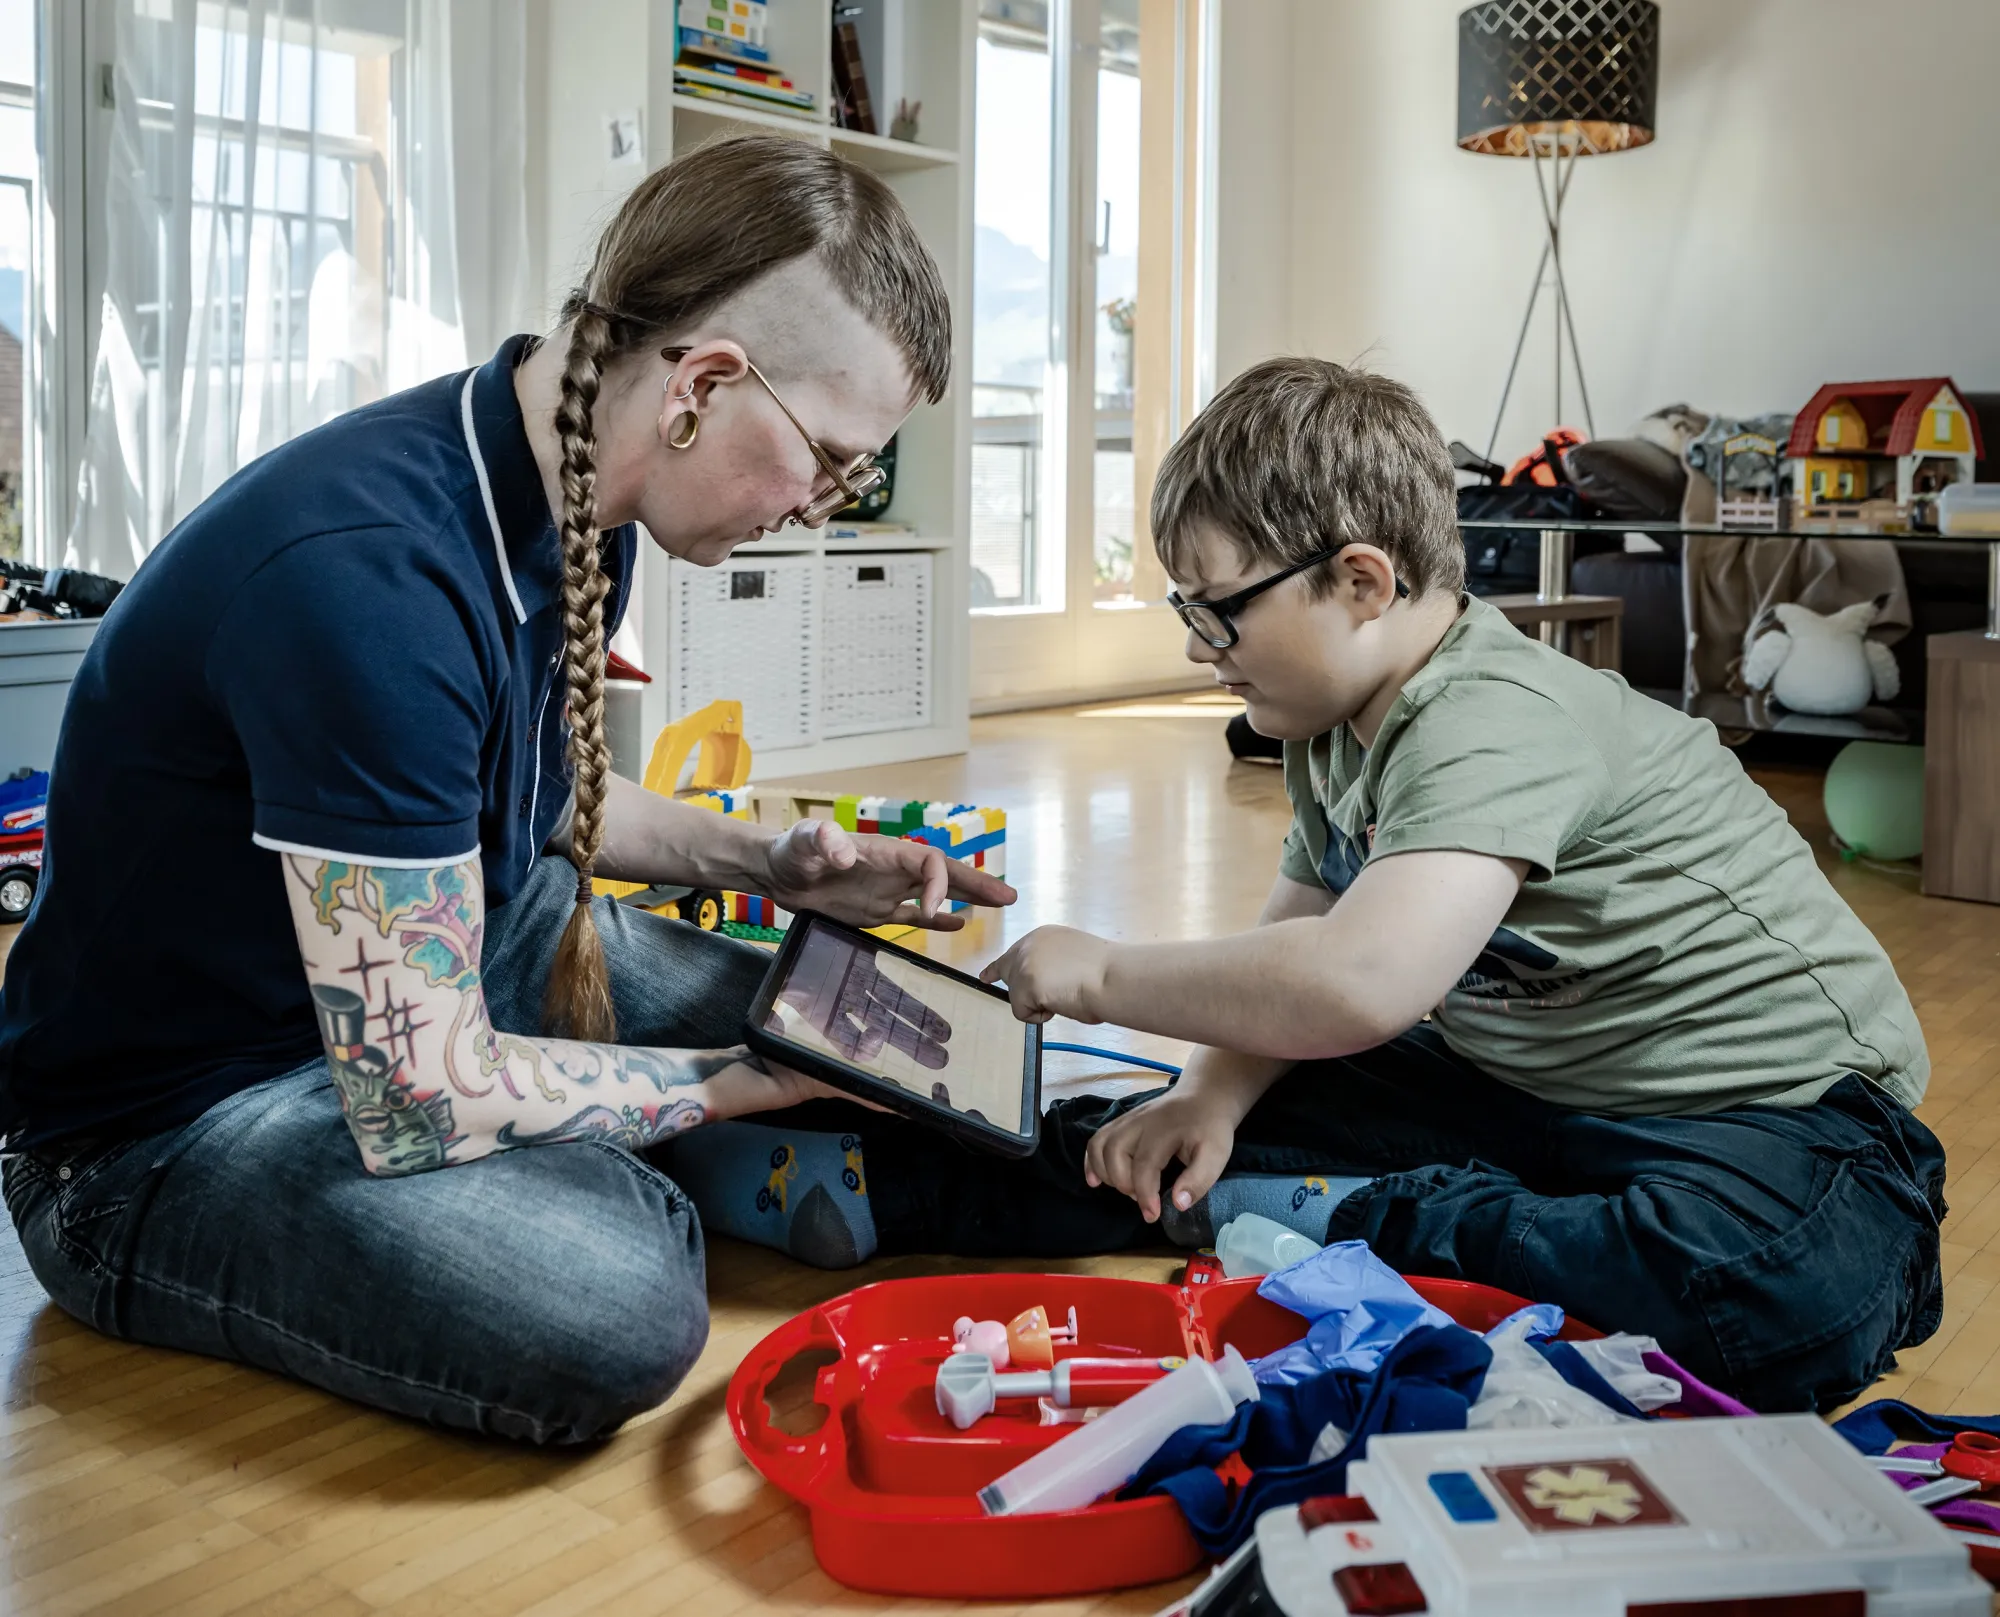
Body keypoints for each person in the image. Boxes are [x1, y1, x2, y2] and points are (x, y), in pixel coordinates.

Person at [0, 135, 1013, 1445]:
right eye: (830, 458)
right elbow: (416, 1089)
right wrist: (718, 1084)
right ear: (705, 380)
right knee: (615, 1304)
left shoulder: (581, 496)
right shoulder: (373, 580)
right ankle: (653, 1154)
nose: (825, 505)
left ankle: (652, 1131)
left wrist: (773, 865)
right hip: (170, 1124)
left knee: (885, 1035)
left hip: (432, 962)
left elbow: (536, 811)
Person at [959, 358, 1946, 1415]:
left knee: (1765, 1295)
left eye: (1219, 612)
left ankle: (1356, 1216)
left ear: (1360, 583)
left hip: (1780, 1114)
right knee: (1187, 1124)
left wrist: (1103, 972)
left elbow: (1360, 981)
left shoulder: (1494, 713)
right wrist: (1206, 1091)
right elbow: (1294, 954)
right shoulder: (1327, 728)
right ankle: (885, 1173)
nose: (1200, 649)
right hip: (1529, 1087)